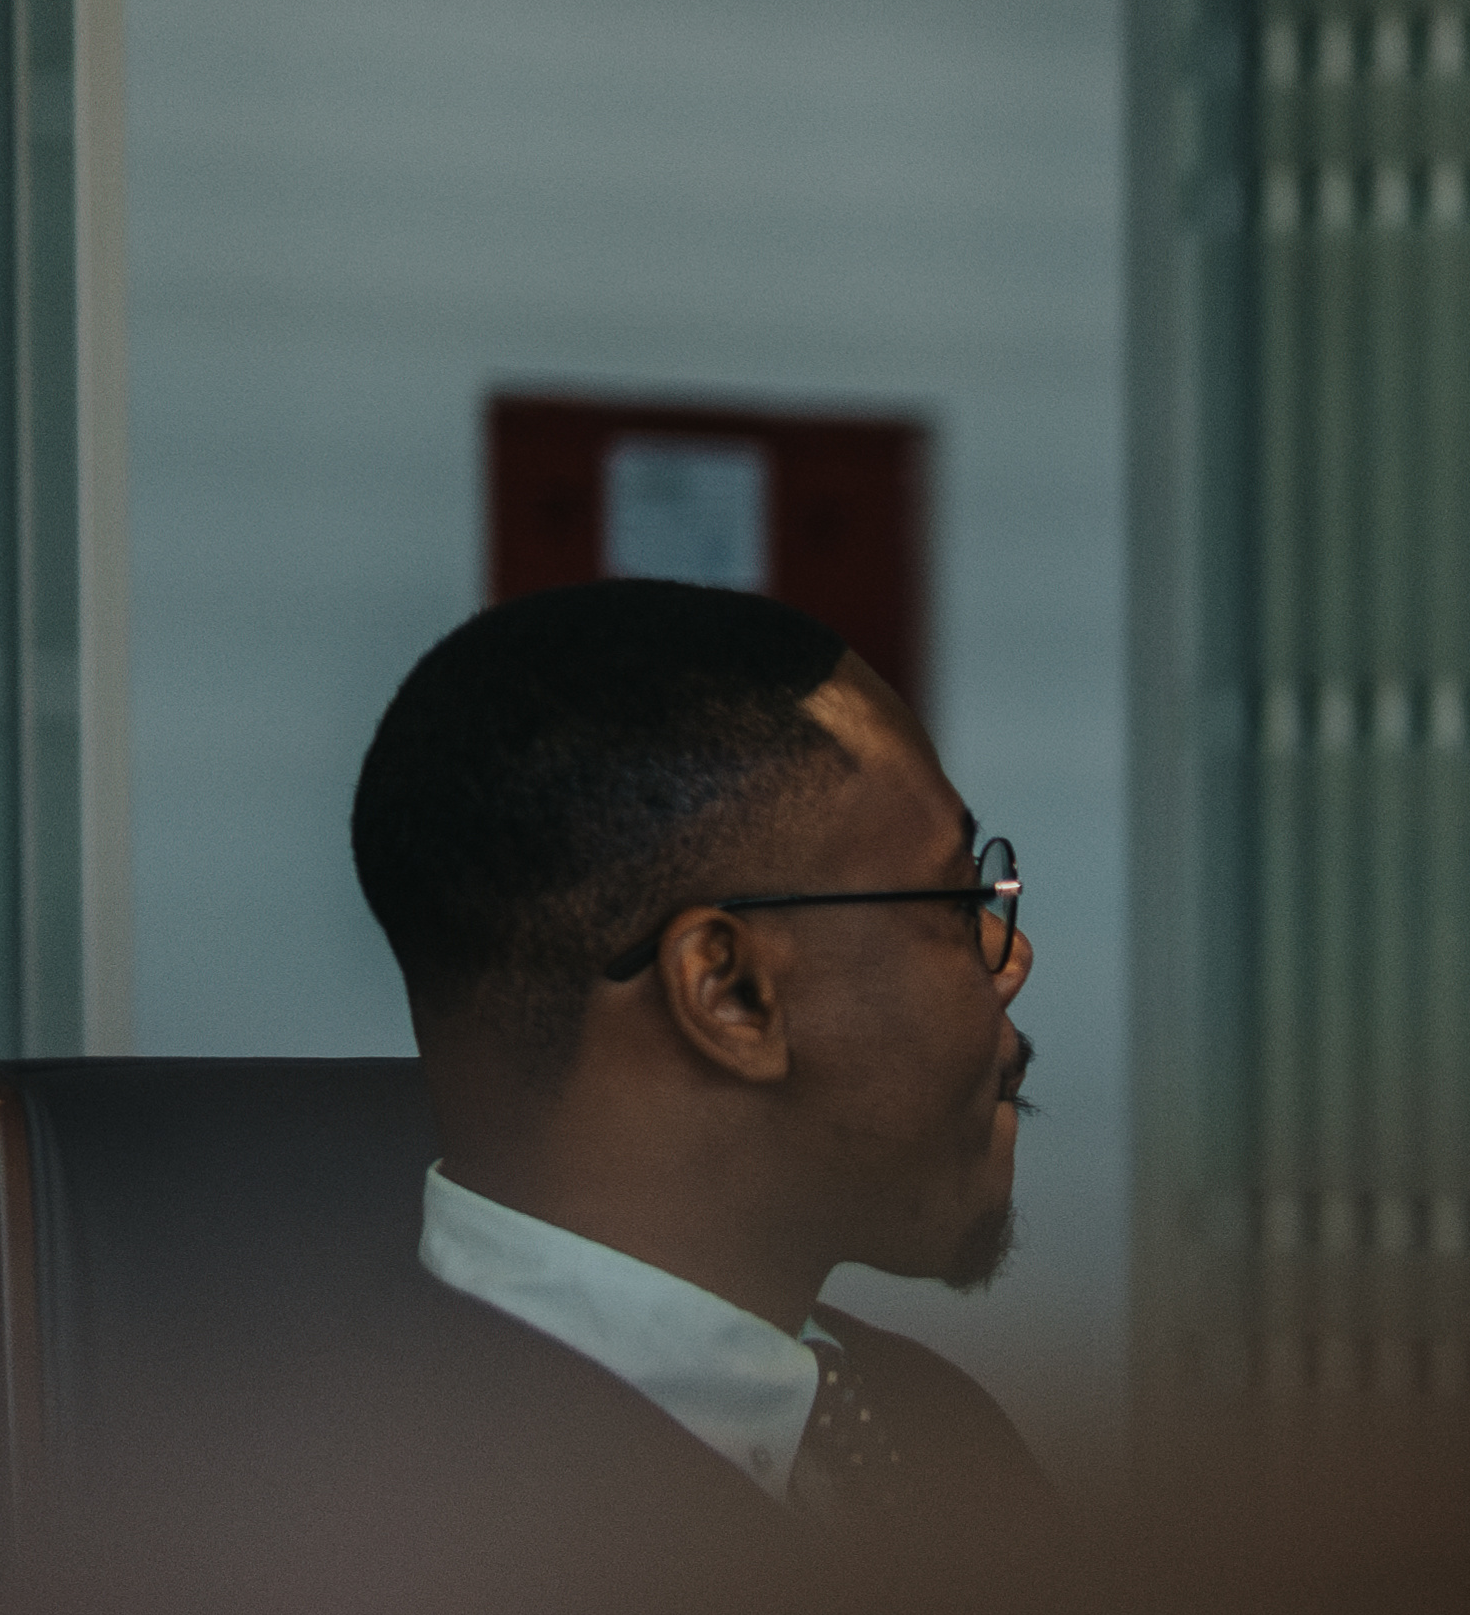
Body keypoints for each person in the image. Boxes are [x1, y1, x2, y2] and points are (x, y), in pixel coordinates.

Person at [340, 578, 1052, 1533]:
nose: (1010, 957)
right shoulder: (382, 1539)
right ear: (730, 993)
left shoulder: (936, 1433)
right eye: (956, 903)